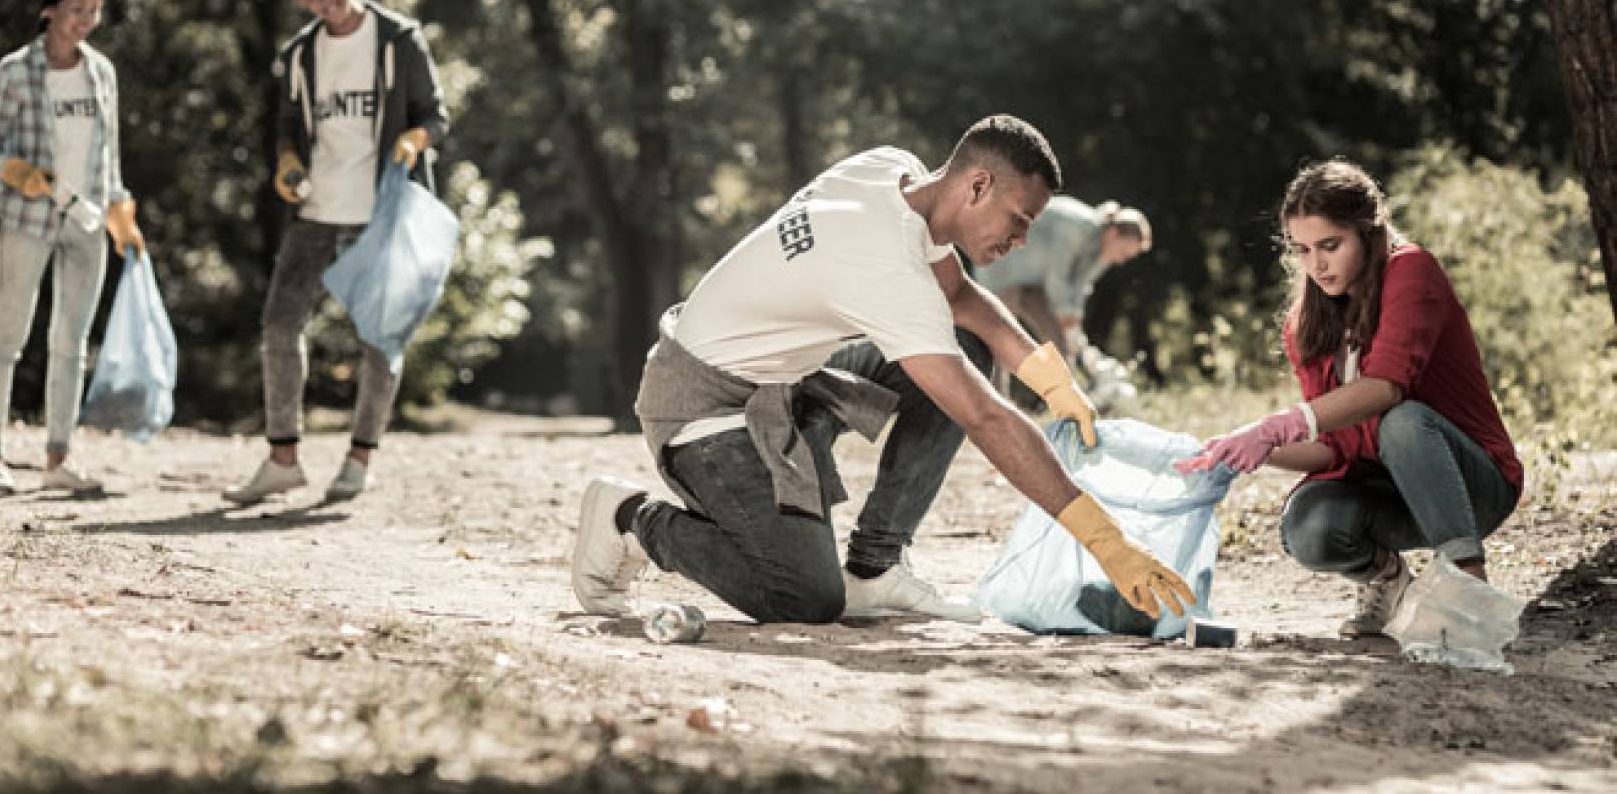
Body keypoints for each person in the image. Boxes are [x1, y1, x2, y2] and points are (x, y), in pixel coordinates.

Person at [571, 115, 1194, 626]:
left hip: (779, 377)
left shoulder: (890, 170)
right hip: (700, 404)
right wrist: (1106, 542)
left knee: (965, 349)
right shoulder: (886, 267)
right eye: (1019, 220)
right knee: (803, 597)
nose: (1022, 240)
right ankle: (633, 518)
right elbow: (981, 415)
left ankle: (874, 568)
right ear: (977, 187)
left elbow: (961, 300)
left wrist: (1050, 380)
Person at [1176, 159, 1522, 638]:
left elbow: (1386, 386)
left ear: (1367, 233)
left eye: (1330, 245)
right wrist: (1248, 449)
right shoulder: (1306, 324)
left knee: (1402, 421)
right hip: (1390, 495)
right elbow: (1334, 446)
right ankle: (1388, 582)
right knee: (1308, 528)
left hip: (1471, 487)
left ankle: (1469, 592)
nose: (1316, 264)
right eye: (1303, 250)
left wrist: (1278, 424)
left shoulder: (1411, 271)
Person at [222, 0, 449, 506]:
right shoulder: (301, 54)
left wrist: (415, 139)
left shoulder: (398, 39)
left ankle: (359, 458)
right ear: (303, 3)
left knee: (380, 335)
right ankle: (282, 459)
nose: (328, 3)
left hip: (380, 213)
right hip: (317, 210)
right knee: (279, 325)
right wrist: (289, 162)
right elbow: (288, 127)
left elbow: (436, 115)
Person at [0, 0, 147, 496]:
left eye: (94, 11)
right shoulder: (15, 72)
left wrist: (120, 210)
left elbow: (108, 154)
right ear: (48, 10)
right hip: (29, 220)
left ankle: (57, 458)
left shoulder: (101, 73)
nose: (86, 21)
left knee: (70, 343)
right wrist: (12, 171)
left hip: (86, 223)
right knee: (9, 336)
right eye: (76, 10)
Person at [972, 196, 1152, 365]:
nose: (1122, 260)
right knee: (1002, 341)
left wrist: (1075, 331)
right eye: (1123, 252)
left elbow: (1079, 288)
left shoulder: (1101, 252)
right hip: (1001, 266)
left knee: (1060, 344)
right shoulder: (1077, 227)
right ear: (1113, 234)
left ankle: (1055, 398)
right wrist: (1068, 320)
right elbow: (1057, 278)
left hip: (1033, 281)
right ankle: (989, 398)